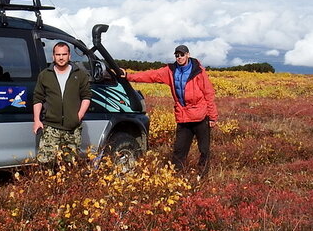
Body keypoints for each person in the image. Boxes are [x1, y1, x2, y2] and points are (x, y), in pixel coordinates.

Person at [116, 45, 218, 176]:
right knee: (179, 150)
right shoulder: (171, 71)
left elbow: (208, 93)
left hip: (201, 116)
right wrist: (129, 76)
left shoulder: (198, 71)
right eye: (177, 55)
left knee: (204, 150)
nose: (179, 58)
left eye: (182, 55)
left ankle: (202, 175)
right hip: (183, 117)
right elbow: (151, 75)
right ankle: (176, 177)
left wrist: (212, 117)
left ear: (188, 55)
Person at [32, 42, 91, 166]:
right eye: (58, 54)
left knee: (70, 166)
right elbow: (38, 99)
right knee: (45, 165)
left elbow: (86, 97)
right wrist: (37, 120)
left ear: (69, 56)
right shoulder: (44, 75)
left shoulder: (80, 75)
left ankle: (68, 186)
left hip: (72, 129)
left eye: (64, 54)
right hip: (50, 128)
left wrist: (78, 117)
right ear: (53, 56)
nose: (61, 57)